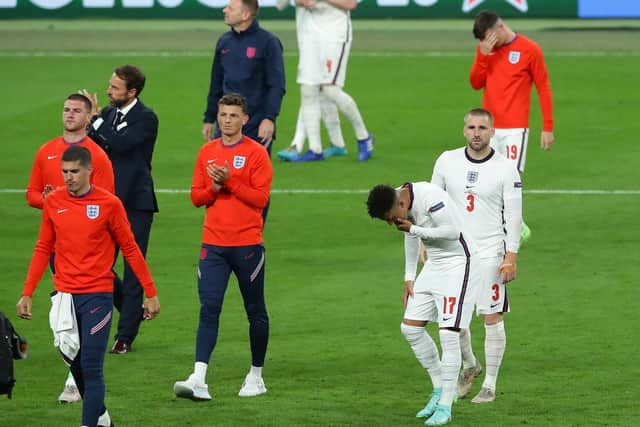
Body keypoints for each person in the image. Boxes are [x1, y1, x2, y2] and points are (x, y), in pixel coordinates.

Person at [16, 145, 160, 427]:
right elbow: (44, 246)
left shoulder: (109, 204)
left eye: (74, 172)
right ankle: (103, 417)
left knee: (92, 367)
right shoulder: (54, 202)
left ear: (89, 171)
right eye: (64, 172)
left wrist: (150, 293)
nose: (68, 177)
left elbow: (130, 248)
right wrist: (27, 292)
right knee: (74, 361)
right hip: (64, 297)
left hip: (97, 296)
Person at [174, 93, 272, 400]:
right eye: (223, 115)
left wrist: (230, 182)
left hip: (247, 246)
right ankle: (198, 378)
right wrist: (214, 187)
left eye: (233, 115)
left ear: (245, 120)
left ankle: (256, 376)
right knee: (209, 307)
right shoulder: (207, 153)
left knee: (255, 311)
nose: (226, 120)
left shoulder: (256, 154)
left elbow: (260, 200)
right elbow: (196, 197)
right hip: (213, 245)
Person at [26, 93, 115, 404]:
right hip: (58, 246)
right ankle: (80, 379)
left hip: (91, 248)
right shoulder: (46, 152)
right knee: (66, 317)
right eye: (66, 109)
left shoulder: (97, 156)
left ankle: (75, 381)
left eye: (77, 110)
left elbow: (108, 202)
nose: (70, 114)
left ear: (88, 117)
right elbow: (32, 194)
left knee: (81, 314)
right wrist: (48, 200)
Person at [366, 182, 480, 426]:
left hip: (459, 263)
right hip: (434, 265)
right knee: (410, 328)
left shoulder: (430, 197)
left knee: (448, 335)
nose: (390, 223)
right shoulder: (399, 199)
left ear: (401, 204)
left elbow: (452, 232)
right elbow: (408, 234)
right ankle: (439, 388)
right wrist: (409, 277)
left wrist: (416, 229)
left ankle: (446, 406)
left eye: (389, 218)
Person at [431, 108, 522, 404]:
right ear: (464, 130)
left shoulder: (506, 168)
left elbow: (514, 215)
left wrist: (511, 256)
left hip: (489, 251)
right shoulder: (447, 160)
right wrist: (425, 243)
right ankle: (470, 365)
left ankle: (491, 385)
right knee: (451, 318)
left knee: (491, 316)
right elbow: (432, 204)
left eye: (482, 127)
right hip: (455, 252)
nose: (477, 133)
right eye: (471, 127)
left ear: (493, 131)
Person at [83, 64, 159, 355]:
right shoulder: (110, 115)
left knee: (133, 268)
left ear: (132, 92)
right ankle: (131, 310)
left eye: (114, 88)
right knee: (100, 266)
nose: (108, 91)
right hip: (105, 203)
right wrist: (90, 125)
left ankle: (125, 336)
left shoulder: (146, 118)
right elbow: (97, 147)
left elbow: (123, 145)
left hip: (135, 204)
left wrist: (96, 121)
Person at [469, 10, 554, 240]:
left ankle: (516, 225)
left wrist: (547, 126)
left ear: (499, 28)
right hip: (490, 128)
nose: (486, 43)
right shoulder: (486, 51)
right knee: (488, 176)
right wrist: (483, 56)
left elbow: (543, 88)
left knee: (510, 177)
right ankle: (501, 223)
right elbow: (476, 83)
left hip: (516, 128)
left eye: (488, 37)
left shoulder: (530, 50)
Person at [287, 0, 374, 162]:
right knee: (308, 89)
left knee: (330, 89)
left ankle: (363, 137)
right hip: (311, 34)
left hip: (335, 33)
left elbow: (350, 4)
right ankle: (315, 149)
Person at [202, 0, 286, 155]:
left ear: (245, 15)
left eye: (230, 8)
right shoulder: (224, 41)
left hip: (257, 126)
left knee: (254, 178)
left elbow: (276, 85)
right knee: (221, 176)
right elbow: (216, 84)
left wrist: (269, 119)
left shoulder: (268, 42)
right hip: (226, 125)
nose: (224, 10)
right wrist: (209, 118)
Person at [274, 0, 347, 162]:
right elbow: (280, 5)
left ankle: (297, 144)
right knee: (316, 91)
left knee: (314, 89)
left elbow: (350, 4)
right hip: (308, 38)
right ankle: (338, 143)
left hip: (330, 37)